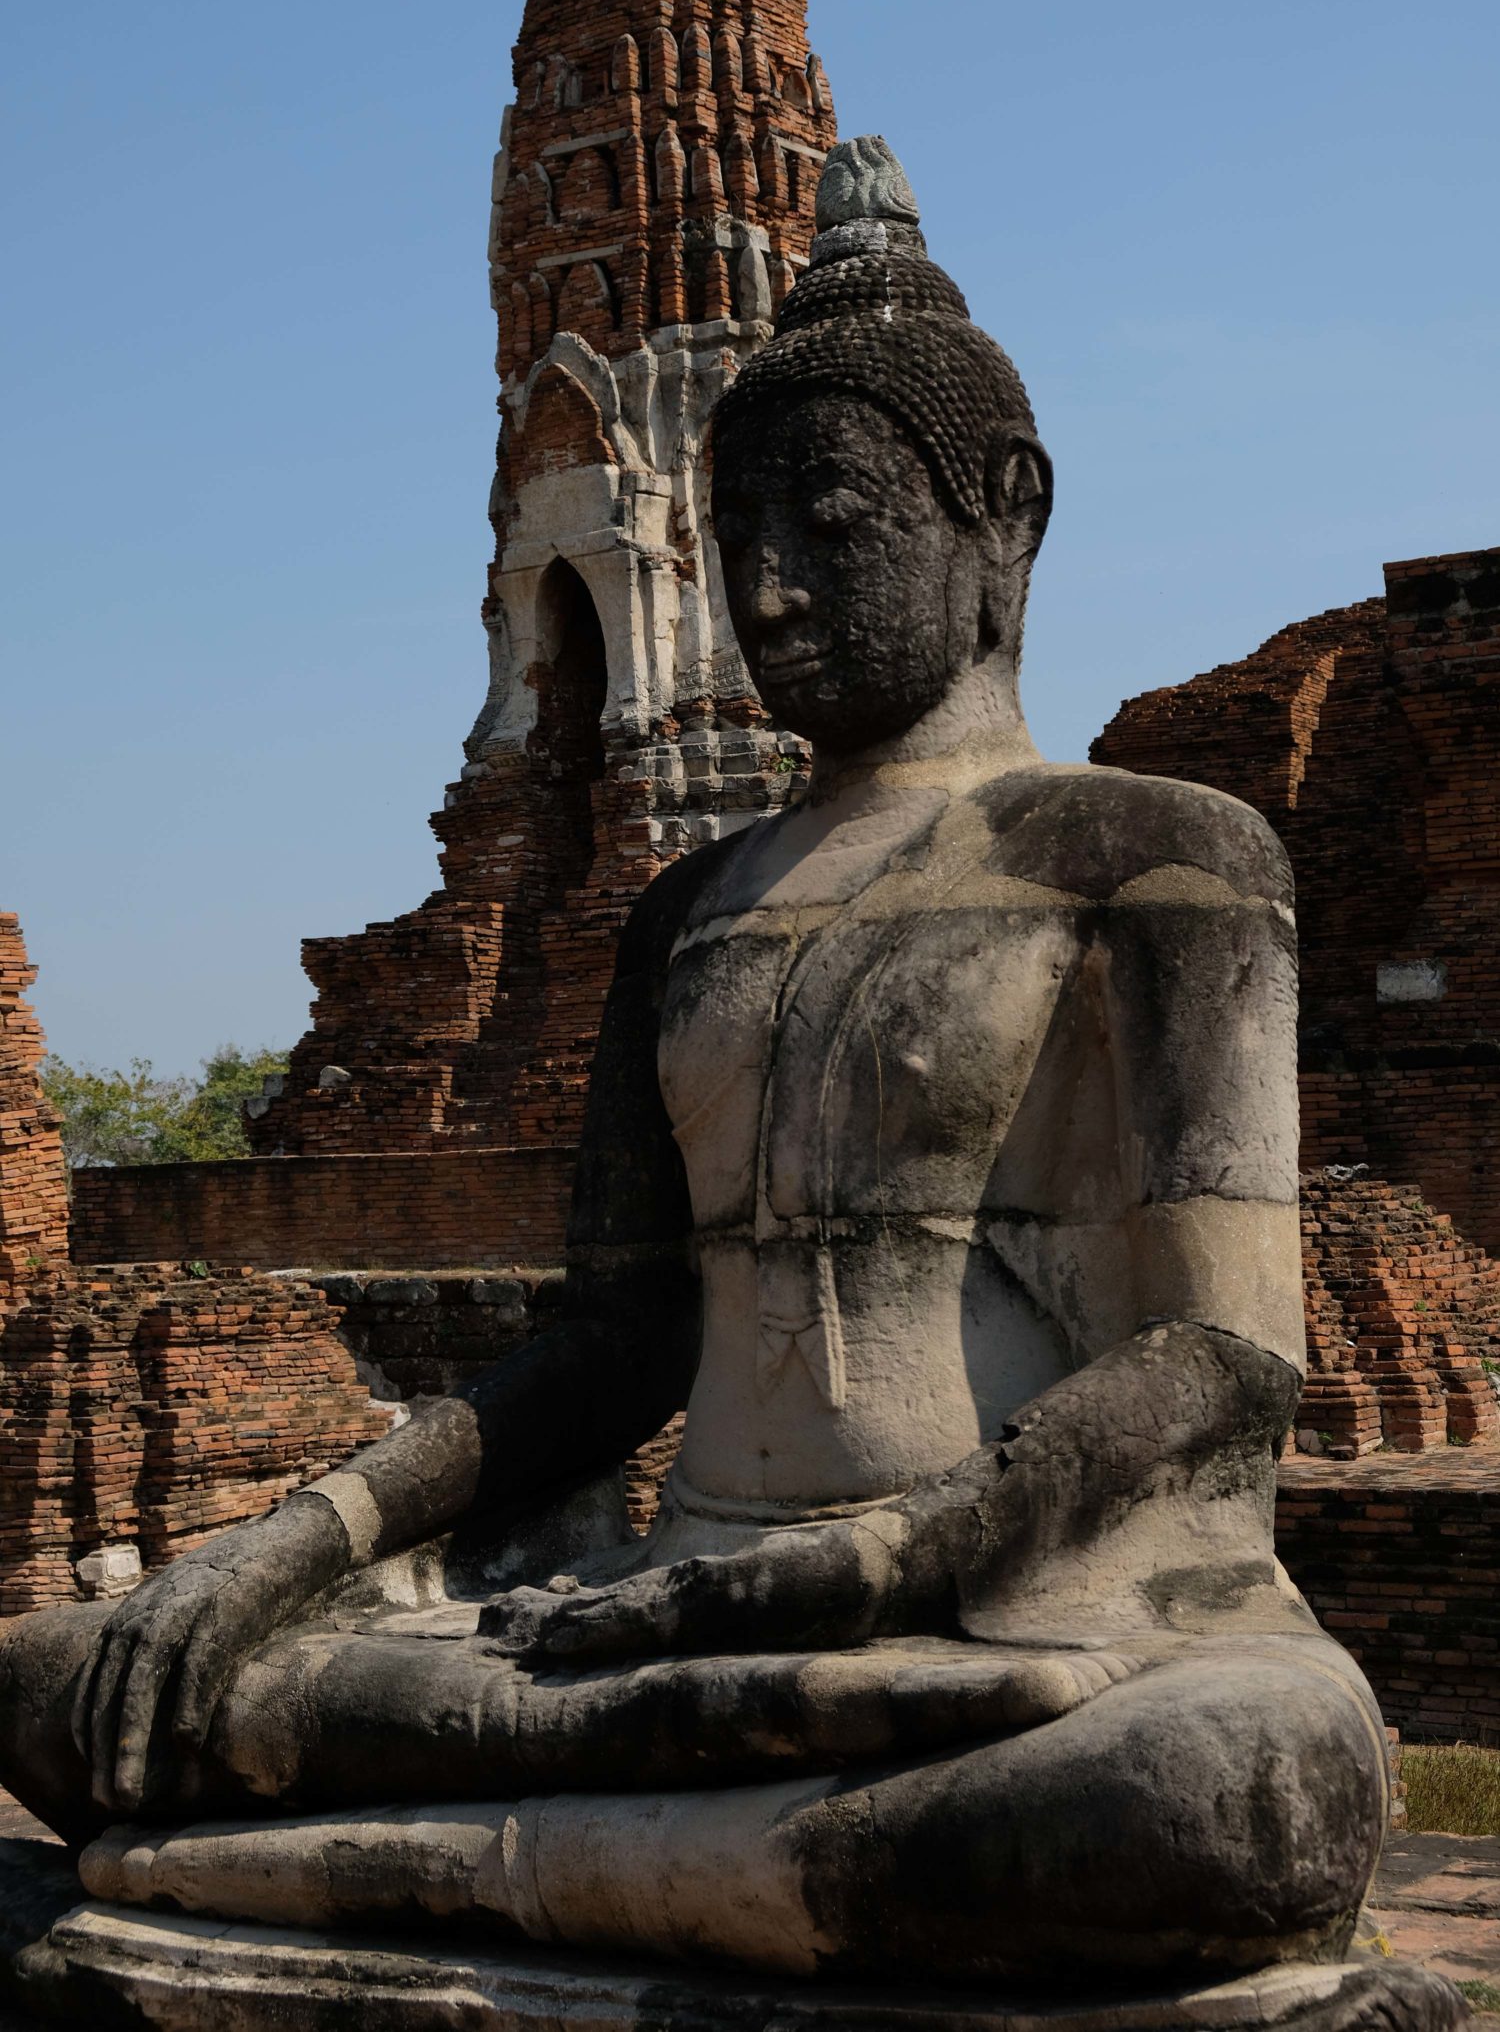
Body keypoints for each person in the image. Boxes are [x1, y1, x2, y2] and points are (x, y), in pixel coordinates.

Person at [0, 139, 1395, 1993]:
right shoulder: (684, 916)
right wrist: (289, 1541)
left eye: (832, 520)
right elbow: (612, 1346)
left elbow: (1227, 1355)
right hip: (670, 1637)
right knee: (69, 1677)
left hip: (1025, 1628)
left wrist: (876, 1563)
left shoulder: (1153, 855)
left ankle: (434, 1876)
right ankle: (688, 1872)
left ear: (1008, 516)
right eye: (735, 540)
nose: (773, 589)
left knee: (1235, 1790)